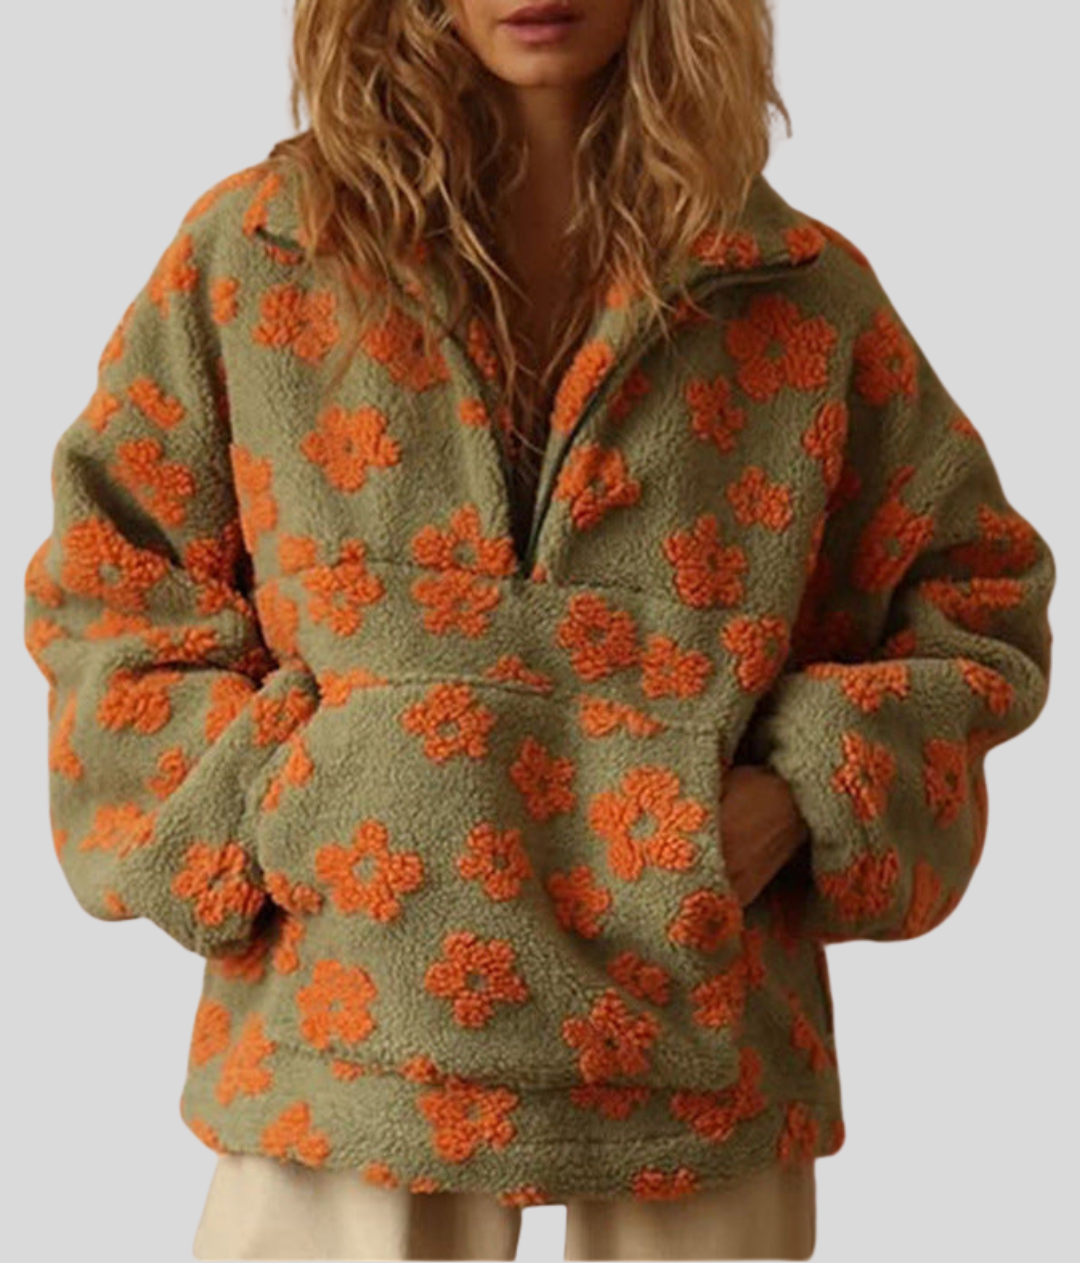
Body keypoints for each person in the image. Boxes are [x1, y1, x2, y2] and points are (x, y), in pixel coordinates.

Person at [22, 1, 1056, 1260]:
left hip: (699, 1039)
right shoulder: (263, 253)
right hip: (344, 1020)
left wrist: (802, 790)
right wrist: (290, 801)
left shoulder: (794, 294)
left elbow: (975, 595)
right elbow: (112, 577)